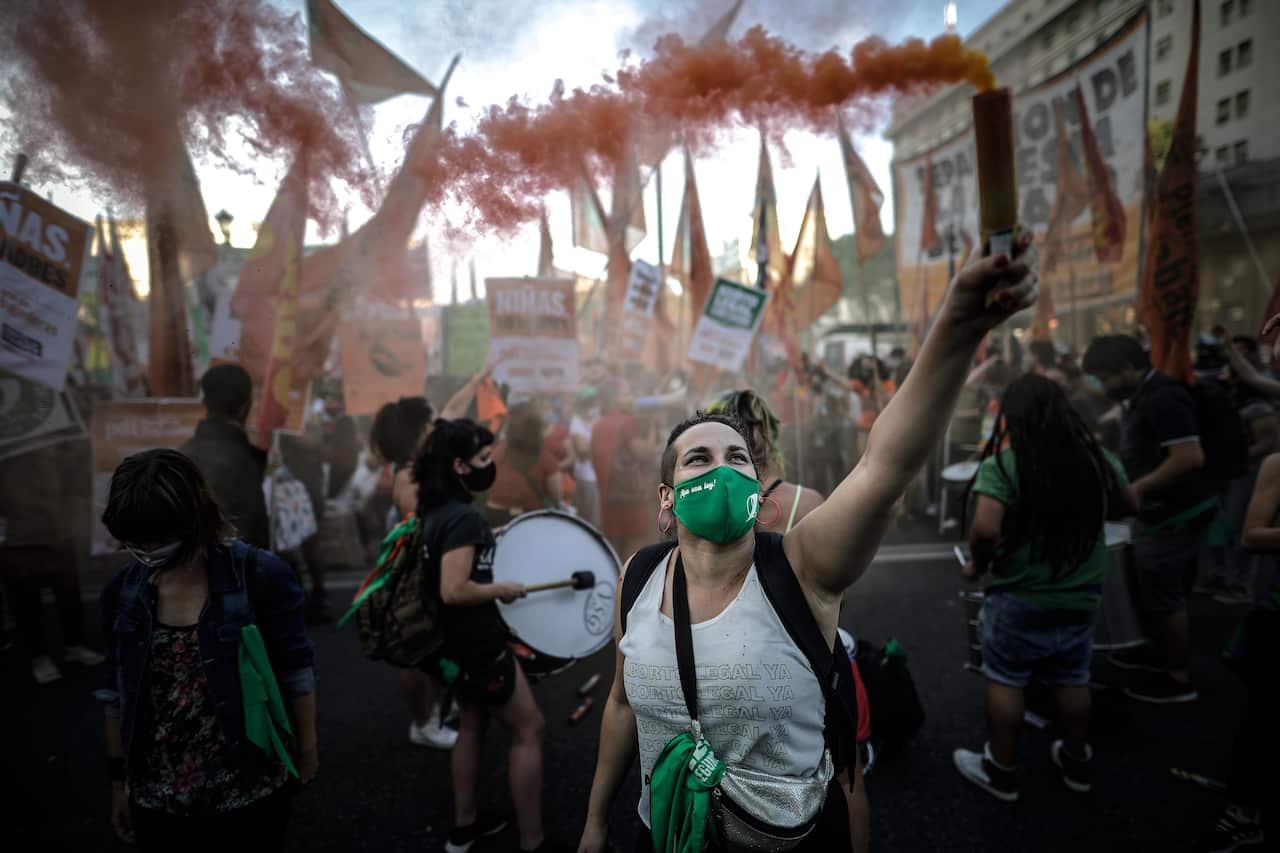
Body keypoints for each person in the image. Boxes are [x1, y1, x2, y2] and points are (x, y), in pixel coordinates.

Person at [578, 235, 1038, 853]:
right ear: (667, 500)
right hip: (663, 834)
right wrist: (595, 822)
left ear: (757, 491)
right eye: (699, 458)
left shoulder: (801, 567)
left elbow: (884, 467)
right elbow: (619, 706)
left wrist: (957, 326)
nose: (722, 468)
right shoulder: (637, 575)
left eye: (738, 457)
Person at [97, 449, 317, 851]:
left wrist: (307, 751)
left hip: (248, 787)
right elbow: (116, 694)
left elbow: (296, 671)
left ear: (193, 519)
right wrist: (119, 782)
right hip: (156, 794)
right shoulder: (123, 593)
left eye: (156, 538)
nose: (147, 550)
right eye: (136, 540)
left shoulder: (260, 576)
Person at [952, 374, 1135, 802]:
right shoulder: (1097, 459)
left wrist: (978, 564)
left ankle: (1002, 770)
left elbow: (984, 530)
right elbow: (1131, 505)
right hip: (1082, 592)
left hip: (1020, 594)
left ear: (1011, 417)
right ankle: (1076, 761)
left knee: (1006, 678)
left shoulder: (1004, 466)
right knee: (1073, 677)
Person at [705, 388, 867, 851]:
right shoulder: (806, 503)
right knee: (843, 774)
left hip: (733, 670)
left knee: (740, 782)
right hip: (815, 665)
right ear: (770, 435)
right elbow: (838, 597)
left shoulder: (708, 510)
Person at [412, 419, 563, 853]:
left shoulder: (437, 508)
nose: (489, 464)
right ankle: (533, 841)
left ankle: (464, 827)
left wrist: (488, 541)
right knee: (529, 728)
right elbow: (453, 589)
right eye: (482, 459)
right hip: (477, 643)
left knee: (472, 724)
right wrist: (503, 588)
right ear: (459, 466)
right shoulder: (462, 518)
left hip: (452, 643)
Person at [1083, 335, 1212, 704]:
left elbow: (1189, 457)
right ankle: (1164, 655)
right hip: (1162, 513)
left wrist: (1139, 488)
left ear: (1127, 368)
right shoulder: (1140, 397)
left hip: (1176, 514)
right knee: (1158, 591)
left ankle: (1177, 678)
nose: (1102, 387)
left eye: (1105, 377)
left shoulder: (1164, 397)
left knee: (1164, 596)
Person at [369, 396, 458, 751]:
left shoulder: (418, 465)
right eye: (430, 423)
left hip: (427, 567)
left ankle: (438, 709)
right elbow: (422, 522)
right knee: (415, 651)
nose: (437, 426)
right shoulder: (408, 476)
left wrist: (480, 375)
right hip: (414, 573)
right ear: (418, 432)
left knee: (434, 645)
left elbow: (449, 410)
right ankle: (422, 723)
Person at [1199, 335, 1279, 604]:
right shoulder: (1275, 466)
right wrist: (1228, 349)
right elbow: (1253, 537)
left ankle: (1240, 586)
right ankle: (1239, 586)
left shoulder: (1258, 404)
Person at [181, 364, 269, 549]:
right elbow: (253, 541)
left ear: (205, 403)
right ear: (246, 406)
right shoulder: (242, 461)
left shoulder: (181, 454)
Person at [591, 380, 661, 561]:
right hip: (631, 499)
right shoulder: (627, 421)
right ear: (615, 400)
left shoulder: (598, 425)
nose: (631, 398)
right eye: (626, 394)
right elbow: (644, 454)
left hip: (608, 498)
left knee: (614, 555)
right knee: (632, 556)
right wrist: (653, 428)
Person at [487, 401, 563, 521]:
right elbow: (557, 495)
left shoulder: (498, 451)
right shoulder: (544, 457)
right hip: (529, 518)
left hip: (496, 515)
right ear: (537, 427)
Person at [569, 387, 602, 528]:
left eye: (594, 402)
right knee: (591, 518)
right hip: (587, 476)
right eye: (588, 403)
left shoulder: (598, 419)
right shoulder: (576, 422)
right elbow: (583, 449)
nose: (592, 406)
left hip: (599, 474)